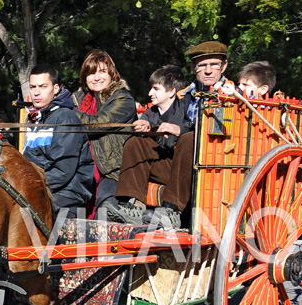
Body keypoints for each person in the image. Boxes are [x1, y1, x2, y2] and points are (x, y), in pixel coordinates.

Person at [109, 65, 193, 229]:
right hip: (163, 166)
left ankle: (172, 211)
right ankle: (134, 207)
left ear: (171, 92)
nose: (150, 93)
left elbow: (191, 131)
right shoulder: (151, 112)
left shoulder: (184, 109)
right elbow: (149, 139)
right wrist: (143, 127)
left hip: (182, 170)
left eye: (156, 89)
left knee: (187, 139)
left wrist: (178, 130)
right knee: (135, 142)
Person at [71, 49, 138, 210]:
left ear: (112, 74)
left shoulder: (123, 99)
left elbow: (95, 124)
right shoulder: (78, 101)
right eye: (91, 73)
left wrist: (66, 109)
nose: (96, 77)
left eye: (102, 71)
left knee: (105, 207)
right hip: (78, 166)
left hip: (113, 170)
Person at [22, 63, 94, 212]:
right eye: (33, 87)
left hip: (67, 193)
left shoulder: (65, 118)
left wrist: (29, 185)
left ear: (55, 88)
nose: (36, 92)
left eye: (43, 86)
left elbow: (63, 171)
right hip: (39, 186)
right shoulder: (36, 119)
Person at [180, 41, 233, 123]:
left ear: (224, 66)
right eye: (202, 65)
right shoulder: (181, 97)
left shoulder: (236, 98)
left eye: (214, 64)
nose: (208, 71)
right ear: (193, 68)